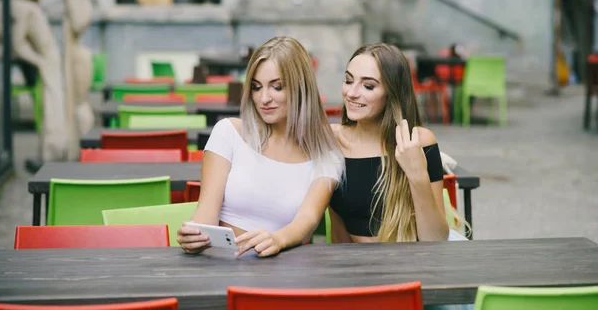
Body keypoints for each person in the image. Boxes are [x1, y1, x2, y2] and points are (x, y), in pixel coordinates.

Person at [177, 36, 343, 257]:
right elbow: (205, 215)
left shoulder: (326, 157)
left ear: (301, 88)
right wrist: (193, 237)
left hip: (282, 275)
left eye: (277, 87)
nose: (264, 98)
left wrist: (277, 239)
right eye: (256, 87)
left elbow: (307, 221)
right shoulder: (228, 133)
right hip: (220, 266)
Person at [329, 43, 449, 243]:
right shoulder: (332, 141)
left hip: (409, 267)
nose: (351, 93)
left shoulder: (418, 141)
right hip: (354, 268)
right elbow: (338, 229)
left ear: (392, 93)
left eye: (368, 86)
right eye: (349, 81)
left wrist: (417, 174)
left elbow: (436, 238)